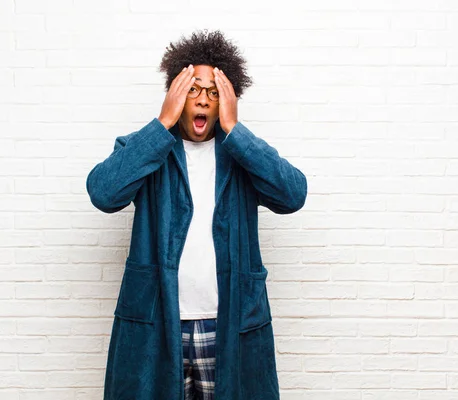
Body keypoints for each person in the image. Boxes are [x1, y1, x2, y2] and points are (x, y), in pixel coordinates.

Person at [86, 29, 307, 400]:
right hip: (158, 325)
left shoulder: (241, 153)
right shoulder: (147, 148)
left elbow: (293, 194)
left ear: (227, 99)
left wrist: (235, 130)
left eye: (213, 91)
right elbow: (103, 193)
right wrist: (160, 126)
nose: (203, 100)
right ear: (175, 95)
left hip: (228, 324)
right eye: (192, 89)